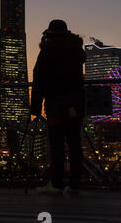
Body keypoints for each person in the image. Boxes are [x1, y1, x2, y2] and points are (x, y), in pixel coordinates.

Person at [30, 20, 86, 194]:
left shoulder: (47, 52)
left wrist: (35, 106)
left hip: (55, 105)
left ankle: (56, 184)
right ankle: (75, 184)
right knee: (75, 143)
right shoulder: (76, 51)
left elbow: (39, 80)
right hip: (74, 104)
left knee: (56, 145)